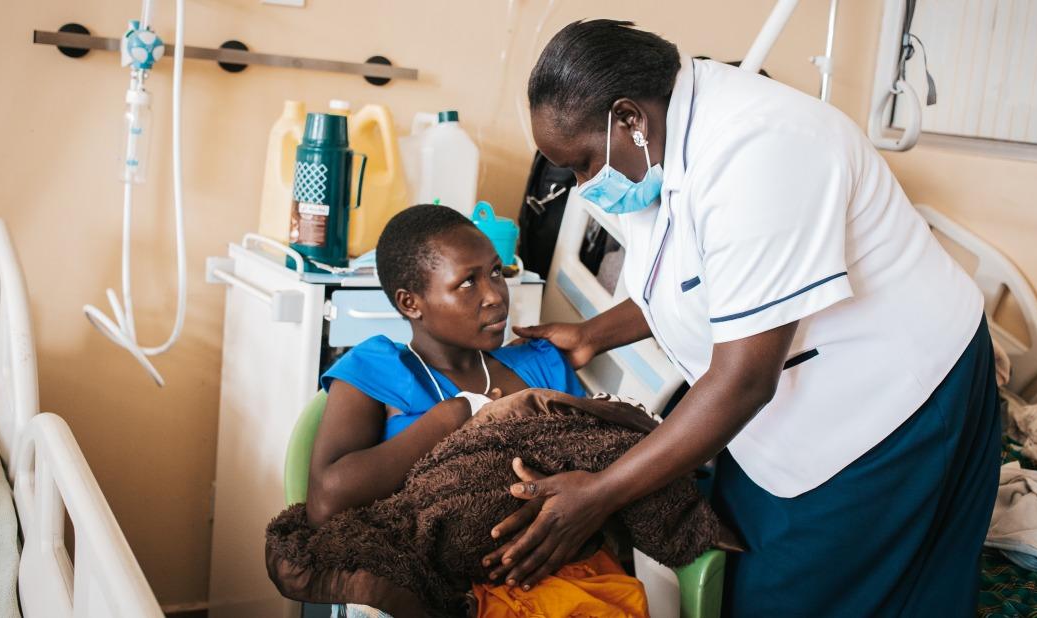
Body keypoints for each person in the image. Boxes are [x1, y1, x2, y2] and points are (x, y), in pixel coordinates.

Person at [486, 20, 1001, 617]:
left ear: (629, 118)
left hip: (895, 399)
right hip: (775, 409)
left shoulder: (761, 150)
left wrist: (599, 494)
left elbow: (743, 379)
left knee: (837, 592)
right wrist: (590, 336)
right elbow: (697, 286)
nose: (581, 187)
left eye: (581, 164)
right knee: (751, 577)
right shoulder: (653, 151)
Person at [306, 204, 649, 617]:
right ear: (410, 302)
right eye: (467, 282)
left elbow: (597, 453)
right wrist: (454, 417)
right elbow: (325, 501)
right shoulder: (378, 369)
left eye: (496, 272)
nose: (494, 295)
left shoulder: (540, 364)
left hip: (558, 574)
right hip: (429, 586)